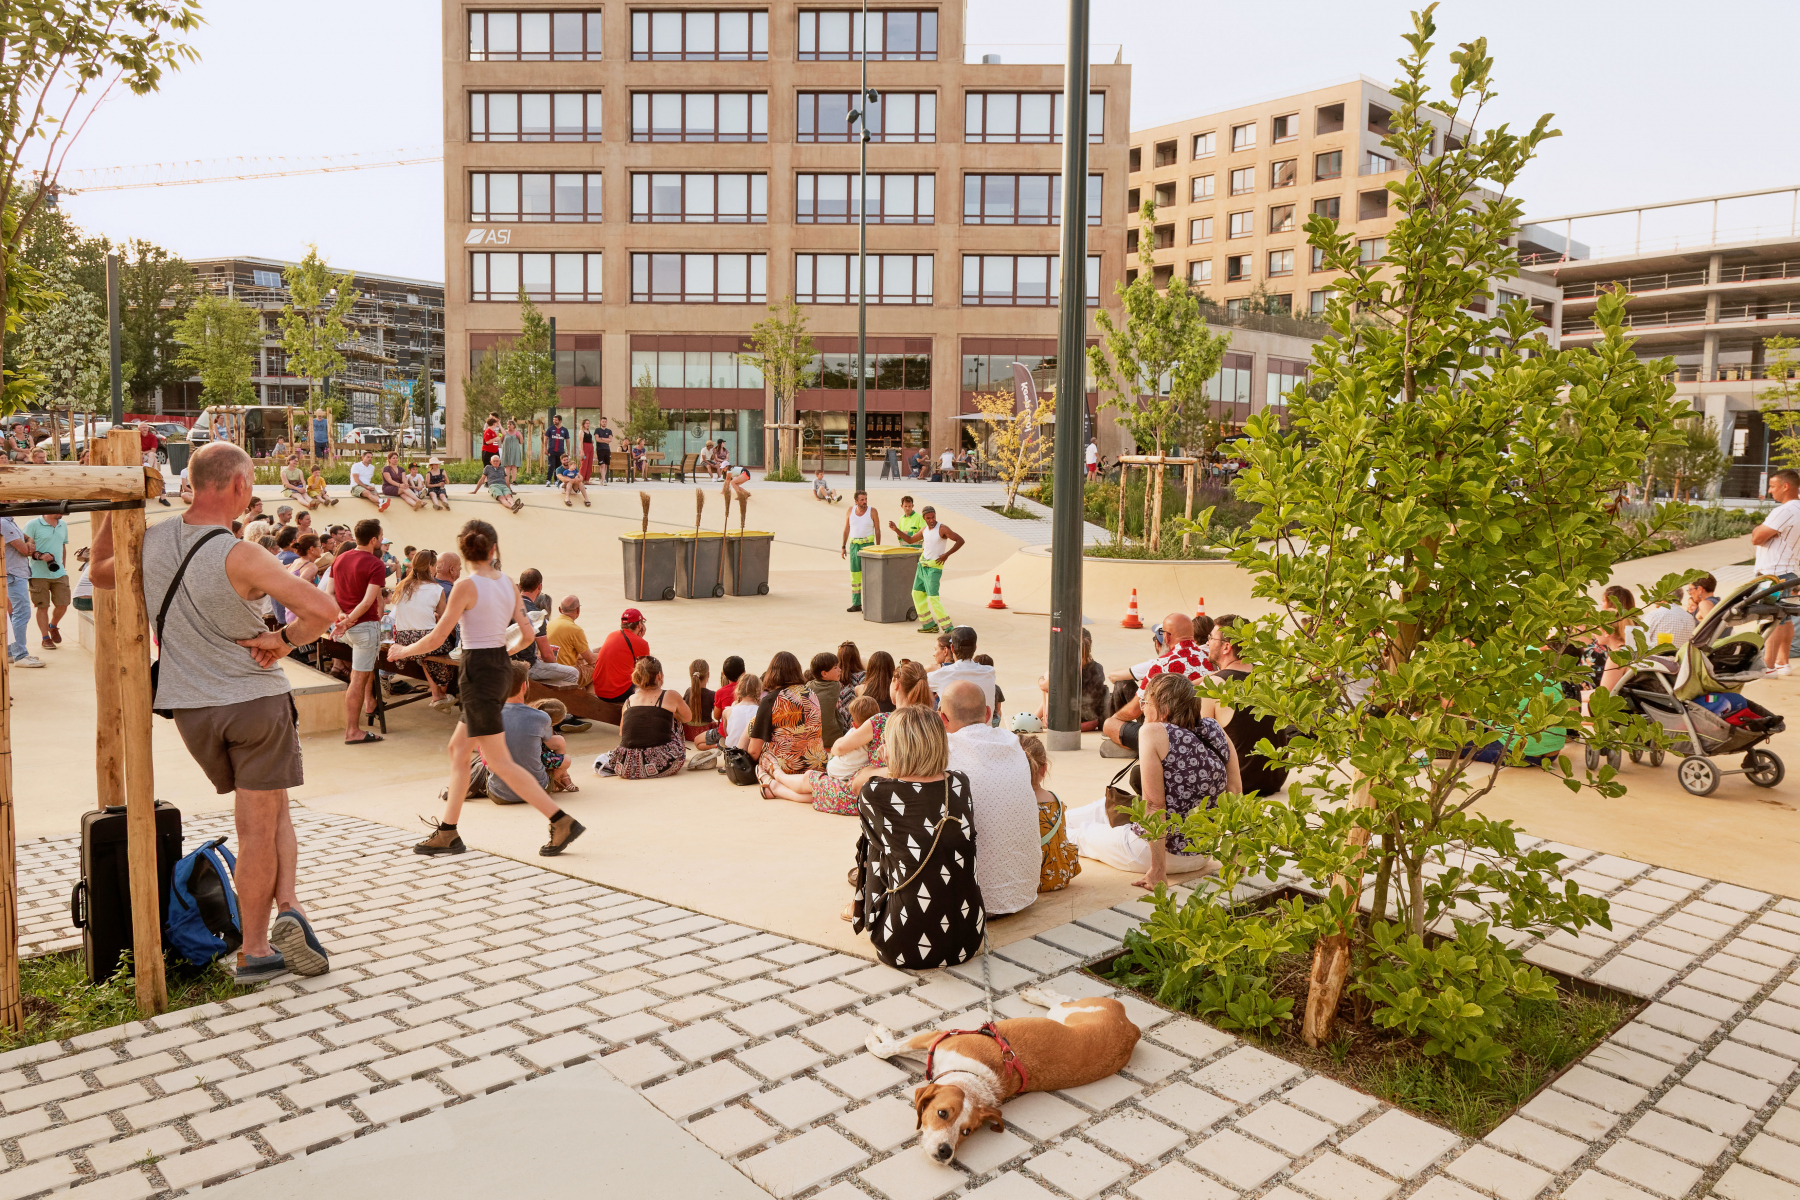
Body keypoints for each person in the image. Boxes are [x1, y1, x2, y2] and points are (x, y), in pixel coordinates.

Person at [91, 440, 338, 983]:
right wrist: (283, 640)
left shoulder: (153, 541)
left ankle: (290, 906)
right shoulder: (243, 553)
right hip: (252, 701)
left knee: (273, 812)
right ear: (238, 486)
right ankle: (255, 948)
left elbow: (101, 573)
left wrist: (113, 509)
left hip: (191, 711)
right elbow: (324, 608)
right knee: (257, 827)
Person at [396, 519, 585, 857]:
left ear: (464, 553)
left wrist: (403, 650)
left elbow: (439, 636)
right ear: (493, 549)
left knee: (498, 761)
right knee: (458, 751)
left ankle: (560, 821)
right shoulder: (508, 585)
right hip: (497, 667)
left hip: (479, 672)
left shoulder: (467, 586)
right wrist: (498, 654)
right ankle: (448, 831)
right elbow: (527, 636)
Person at [1069, 671, 1241, 888]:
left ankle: (1041, 823)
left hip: (1158, 855)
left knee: (1079, 834)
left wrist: (1157, 870)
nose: (1142, 709)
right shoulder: (1215, 729)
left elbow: (1155, 805)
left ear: (1163, 710)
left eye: (1145, 702)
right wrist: (1238, 852)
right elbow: (1236, 792)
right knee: (1098, 809)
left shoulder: (1153, 731)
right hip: (1202, 852)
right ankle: (1047, 818)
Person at [850, 706, 984, 968]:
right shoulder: (959, 784)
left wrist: (888, 766)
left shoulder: (875, 793)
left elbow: (858, 782)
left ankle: (864, 910)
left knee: (874, 844)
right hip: (967, 936)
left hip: (903, 942)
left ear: (899, 746)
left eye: (887, 742)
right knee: (899, 841)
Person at [941, 680, 1040, 917]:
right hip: (1024, 891)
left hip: (973, 903)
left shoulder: (946, 747)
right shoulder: (1012, 743)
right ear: (988, 713)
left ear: (942, 719)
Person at [1202, 615, 1289, 798]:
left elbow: (1199, 742)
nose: (1207, 643)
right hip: (1272, 780)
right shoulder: (1269, 677)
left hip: (1237, 783)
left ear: (1226, 647)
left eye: (1211, 638)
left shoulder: (1215, 684)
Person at [1104, 613, 1212, 754]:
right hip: (1202, 731)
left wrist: (1115, 720)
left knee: (1109, 725)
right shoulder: (1210, 659)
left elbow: (1133, 710)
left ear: (1166, 637)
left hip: (1169, 738)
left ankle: (1143, 750)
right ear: (1192, 634)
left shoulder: (1161, 664)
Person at [767, 694, 885, 813]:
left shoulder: (874, 725)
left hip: (850, 788)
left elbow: (838, 748)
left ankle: (778, 776)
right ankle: (775, 788)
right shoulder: (885, 729)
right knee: (816, 794)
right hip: (861, 791)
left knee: (810, 778)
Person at [330, 519, 388, 745]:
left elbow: (330, 594)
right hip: (363, 626)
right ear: (373, 539)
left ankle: (367, 706)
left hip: (347, 625)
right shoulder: (375, 564)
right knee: (358, 678)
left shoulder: (340, 558)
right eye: (381, 537)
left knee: (359, 675)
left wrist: (341, 617)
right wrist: (348, 619)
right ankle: (353, 730)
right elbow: (367, 602)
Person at [749, 650, 827, 792]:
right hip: (816, 764)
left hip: (786, 768)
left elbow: (754, 750)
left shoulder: (771, 700)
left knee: (753, 725)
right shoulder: (811, 694)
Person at [605, 656, 692, 779]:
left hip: (625, 766)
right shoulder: (670, 695)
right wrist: (671, 713)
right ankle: (675, 752)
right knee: (675, 720)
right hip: (661, 764)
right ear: (659, 676)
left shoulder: (629, 700)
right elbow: (687, 718)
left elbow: (621, 732)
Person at [390, 549, 453, 712]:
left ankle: (437, 695)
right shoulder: (436, 589)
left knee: (426, 655)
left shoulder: (402, 585)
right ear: (431, 567)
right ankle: (442, 693)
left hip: (403, 638)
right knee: (445, 649)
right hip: (425, 636)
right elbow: (445, 618)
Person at [1752, 468, 1800, 675]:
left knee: (1771, 617)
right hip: (1790, 571)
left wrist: (1758, 529)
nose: (1770, 491)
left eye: (1772, 486)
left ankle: (1768, 665)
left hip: (1773, 573)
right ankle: (1783, 662)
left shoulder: (1785, 510)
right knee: (1786, 617)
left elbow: (1757, 537)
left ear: (1785, 486)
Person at [1035, 628, 1108, 731]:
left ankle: (1043, 718)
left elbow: (1043, 686)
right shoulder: (1098, 668)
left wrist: (1041, 678)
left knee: (1049, 677)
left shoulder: (1067, 668)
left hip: (1068, 722)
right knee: (1052, 680)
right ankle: (1037, 716)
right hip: (1091, 722)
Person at [911, 506, 963, 634]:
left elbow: (960, 540)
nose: (931, 520)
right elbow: (911, 540)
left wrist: (947, 554)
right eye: (928, 518)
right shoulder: (924, 530)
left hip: (934, 568)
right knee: (916, 594)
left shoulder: (942, 528)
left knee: (933, 597)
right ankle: (929, 625)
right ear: (924, 519)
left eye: (933, 517)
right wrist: (896, 530)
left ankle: (948, 628)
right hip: (922, 567)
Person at [1, 514, 43, 669]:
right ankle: (20, 655)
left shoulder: (10, 522)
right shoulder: (3, 522)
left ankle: (12, 652)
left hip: (16, 573)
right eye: (11, 499)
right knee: (22, 612)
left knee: (14, 613)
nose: (14, 502)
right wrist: (29, 546)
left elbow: (28, 539)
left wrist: (29, 543)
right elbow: (25, 550)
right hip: (13, 574)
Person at [24, 512, 69, 652]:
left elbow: (63, 546)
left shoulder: (63, 524)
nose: (63, 512)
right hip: (37, 574)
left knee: (63, 604)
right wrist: (40, 556)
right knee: (42, 606)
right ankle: (45, 638)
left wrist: (63, 565)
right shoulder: (33, 524)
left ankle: (53, 626)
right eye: (59, 509)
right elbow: (25, 549)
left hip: (59, 572)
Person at [928, 624, 998, 712]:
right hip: (985, 724)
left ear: (952, 648)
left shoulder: (940, 675)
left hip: (951, 725)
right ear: (975, 648)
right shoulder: (989, 671)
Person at [593, 608, 650, 704]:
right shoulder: (642, 643)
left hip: (599, 691)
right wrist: (639, 639)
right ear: (639, 625)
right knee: (648, 680)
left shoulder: (611, 635)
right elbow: (645, 672)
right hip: (618, 693)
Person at [546, 596, 599, 688]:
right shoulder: (575, 630)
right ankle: (592, 696)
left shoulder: (549, 624)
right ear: (578, 610)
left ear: (560, 609)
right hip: (566, 674)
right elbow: (591, 659)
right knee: (598, 665)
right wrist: (604, 653)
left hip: (549, 670)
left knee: (583, 659)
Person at [841, 491, 880, 613]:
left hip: (868, 546)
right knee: (855, 576)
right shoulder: (850, 511)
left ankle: (870, 604)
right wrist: (843, 546)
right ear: (856, 501)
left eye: (866, 499)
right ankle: (856, 603)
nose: (864, 502)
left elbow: (877, 530)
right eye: (862, 500)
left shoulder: (872, 511)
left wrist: (878, 548)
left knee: (870, 576)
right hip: (854, 547)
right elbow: (846, 529)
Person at [807, 651, 845, 749]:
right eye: (835, 668)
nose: (840, 670)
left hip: (811, 738)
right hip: (833, 739)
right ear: (824, 673)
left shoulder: (808, 686)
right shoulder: (835, 685)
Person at [682, 659, 715, 742]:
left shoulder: (688, 691)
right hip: (704, 733)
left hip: (688, 733)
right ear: (708, 675)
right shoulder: (712, 694)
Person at [545, 414, 569, 485]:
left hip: (560, 451)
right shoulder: (550, 429)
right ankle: (548, 480)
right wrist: (545, 448)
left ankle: (557, 480)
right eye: (553, 420)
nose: (554, 421)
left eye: (556, 420)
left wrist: (568, 450)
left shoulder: (564, 430)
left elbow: (567, 440)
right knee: (551, 465)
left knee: (558, 466)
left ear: (560, 421)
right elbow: (545, 439)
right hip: (551, 450)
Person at [595, 416, 613, 484]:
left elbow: (610, 440)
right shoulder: (597, 430)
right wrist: (606, 440)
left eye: (605, 422)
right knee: (602, 464)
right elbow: (597, 439)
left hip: (607, 449)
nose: (604, 423)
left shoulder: (609, 431)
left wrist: (602, 438)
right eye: (603, 421)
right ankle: (603, 479)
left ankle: (603, 478)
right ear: (600, 422)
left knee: (605, 465)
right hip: (600, 449)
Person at [579, 418, 595, 483]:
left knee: (589, 463)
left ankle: (587, 479)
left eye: (588, 423)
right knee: (584, 463)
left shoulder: (589, 431)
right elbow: (580, 441)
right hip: (585, 447)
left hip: (590, 447)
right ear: (583, 424)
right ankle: (581, 479)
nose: (588, 425)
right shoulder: (581, 431)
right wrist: (582, 451)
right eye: (586, 423)